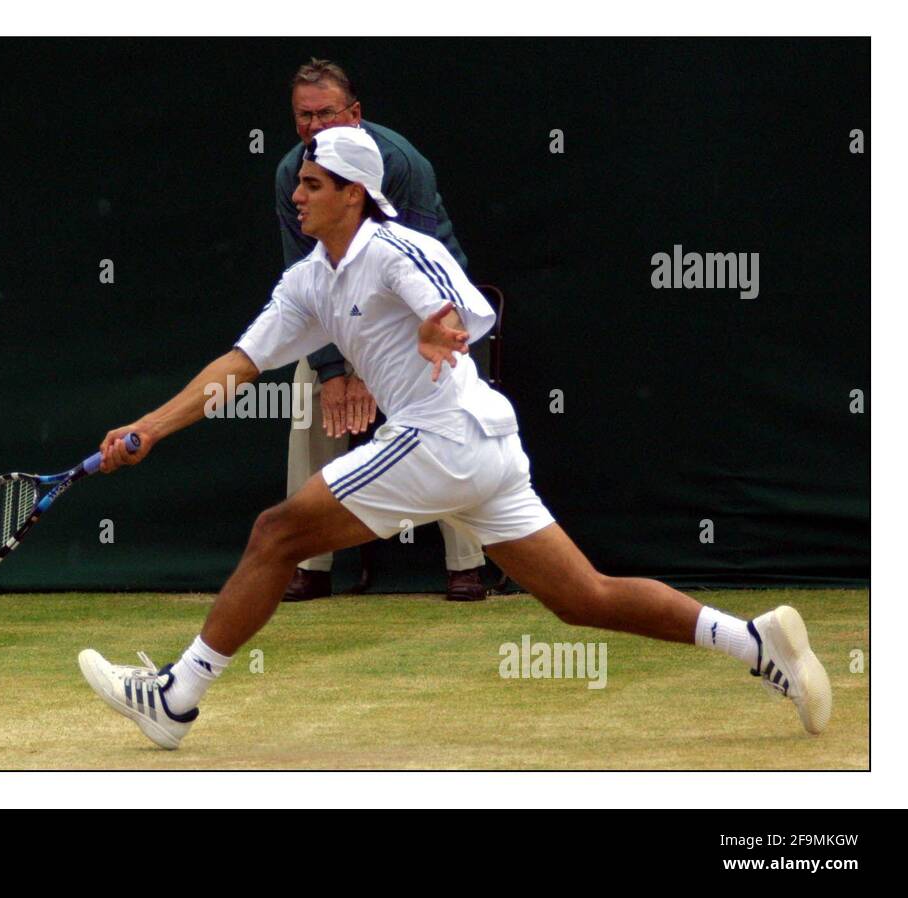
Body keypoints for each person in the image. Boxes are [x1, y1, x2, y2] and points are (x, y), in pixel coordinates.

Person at [78, 127, 832, 751]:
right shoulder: (311, 279)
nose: (296, 193)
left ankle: (176, 698)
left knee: (276, 532)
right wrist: (149, 426)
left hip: (442, 437)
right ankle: (756, 644)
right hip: (483, 452)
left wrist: (443, 328)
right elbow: (240, 365)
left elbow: (466, 309)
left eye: (312, 183)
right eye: (297, 182)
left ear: (353, 194)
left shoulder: (395, 247)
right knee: (583, 598)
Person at [276, 58, 487, 602]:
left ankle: (466, 564)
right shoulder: (289, 176)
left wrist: (370, 368)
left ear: (355, 113)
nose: (315, 126)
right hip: (342, 319)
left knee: (447, 411)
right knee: (306, 394)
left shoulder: (400, 162)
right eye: (305, 115)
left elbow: (419, 273)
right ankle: (309, 561)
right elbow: (305, 284)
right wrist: (332, 371)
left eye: (327, 113)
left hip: (431, 318)